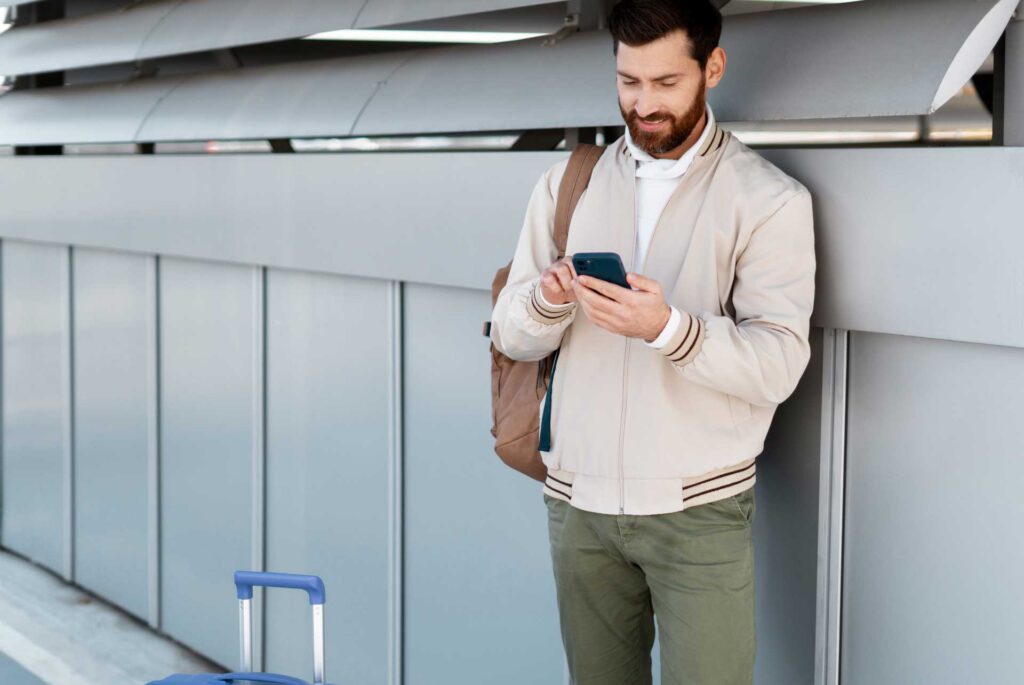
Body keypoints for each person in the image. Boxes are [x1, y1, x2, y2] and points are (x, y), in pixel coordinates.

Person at [489, 0, 816, 682]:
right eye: (629, 81)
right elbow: (512, 337)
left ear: (713, 67)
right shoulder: (566, 185)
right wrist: (547, 301)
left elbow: (778, 363)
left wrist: (667, 328)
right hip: (579, 507)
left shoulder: (768, 200)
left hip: (699, 509)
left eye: (665, 83)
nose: (644, 103)